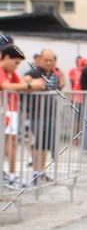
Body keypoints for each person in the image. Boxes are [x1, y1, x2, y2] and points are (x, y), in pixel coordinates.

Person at [0, 44, 42, 188]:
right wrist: (30, 85)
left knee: (10, 143)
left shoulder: (10, 72)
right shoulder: (1, 70)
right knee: (7, 143)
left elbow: (20, 82)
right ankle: (9, 175)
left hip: (10, 111)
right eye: (15, 63)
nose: (16, 67)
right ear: (6, 57)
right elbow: (6, 86)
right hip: (4, 111)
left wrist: (29, 82)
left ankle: (11, 174)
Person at [22, 48, 65, 183]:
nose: (48, 62)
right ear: (40, 60)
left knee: (45, 145)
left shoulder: (53, 73)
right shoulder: (34, 72)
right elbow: (25, 81)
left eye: (51, 60)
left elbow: (58, 86)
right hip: (36, 114)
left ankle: (42, 172)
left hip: (50, 114)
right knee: (38, 144)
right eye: (45, 60)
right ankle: (36, 172)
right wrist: (31, 84)